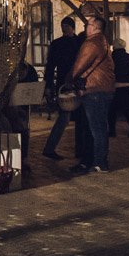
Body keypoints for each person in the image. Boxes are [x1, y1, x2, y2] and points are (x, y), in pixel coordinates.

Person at [68, 14, 116, 173]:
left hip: (94, 89)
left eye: (88, 24)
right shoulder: (102, 41)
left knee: (95, 128)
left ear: (95, 27)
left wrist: (69, 80)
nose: (85, 27)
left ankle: (99, 162)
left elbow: (79, 66)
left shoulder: (92, 43)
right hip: (101, 88)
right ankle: (92, 160)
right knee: (97, 127)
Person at [41, 16, 87, 162]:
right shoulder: (59, 44)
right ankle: (50, 148)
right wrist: (48, 85)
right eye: (63, 26)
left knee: (77, 118)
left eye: (67, 26)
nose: (64, 28)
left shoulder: (79, 42)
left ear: (72, 27)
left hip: (76, 83)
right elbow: (50, 66)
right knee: (64, 117)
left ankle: (80, 149)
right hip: (65, 84)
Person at [108, 38, 129, 138]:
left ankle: (112, 131)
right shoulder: (128, 57)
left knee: (112, 111)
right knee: (128, 109)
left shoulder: (111, 57)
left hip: (114, 86)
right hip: (127, 85)